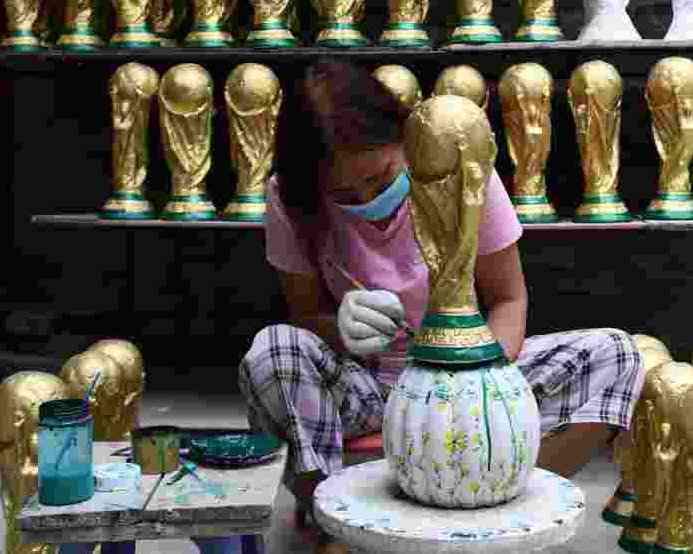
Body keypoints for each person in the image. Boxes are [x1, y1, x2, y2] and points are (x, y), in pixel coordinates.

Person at [238, 60, 645, 553]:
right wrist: (339, 328)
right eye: (345, 194)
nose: (368, 198)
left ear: (404, 140)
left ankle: (493, 508)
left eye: (381, 176)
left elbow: (509, 300)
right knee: (273, 354)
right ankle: (337, 521)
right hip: (366, 387)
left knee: (618, 356)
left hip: (469, 379)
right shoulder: (289, 200)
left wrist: (482, 382)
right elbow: (304, 317)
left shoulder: (463, 174)